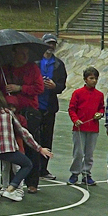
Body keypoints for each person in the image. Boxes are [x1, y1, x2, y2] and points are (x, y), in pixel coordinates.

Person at [0, 88, 53, 201]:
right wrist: (39, 148)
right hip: (9, 150)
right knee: (27, 164)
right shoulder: (8, 113)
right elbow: (22, 131)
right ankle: (11, 189)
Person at [0, 44, 44, 193]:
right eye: (21, 53)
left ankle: (32, 182)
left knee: (31, 145)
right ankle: (9, 182)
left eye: (26, 53)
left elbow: (39, 88)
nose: (25, 56)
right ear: (14, 53)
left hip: (28, 112)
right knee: (9, 146)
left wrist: (20, 88)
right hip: (8, 112)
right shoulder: (3, 70)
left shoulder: (32, 68)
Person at [67, 67, 105, 186]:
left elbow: (102, 108)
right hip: (79, 128)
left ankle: (86, 173)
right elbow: (71, 109)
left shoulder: (99, 95)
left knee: (89, 153)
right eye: (91, 78)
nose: (94, 81)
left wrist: (100, 113)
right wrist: (75, 120)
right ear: (85, 79)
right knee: (78, 152)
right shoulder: (77, 93)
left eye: (96, 78)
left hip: (93, 128)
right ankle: (74, 173)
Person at [36, 34, 66, 180]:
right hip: (35, 105)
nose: (51, 46)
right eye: (48, 43)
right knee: (33, 138)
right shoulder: (35, 62)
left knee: (47, 139)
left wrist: (55, 86)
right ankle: (33, 168)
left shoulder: (59, 64)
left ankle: (43, 169)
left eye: (53, 44)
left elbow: (62, 85)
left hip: (50, 106)